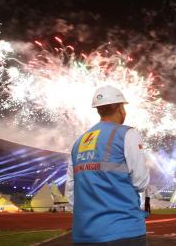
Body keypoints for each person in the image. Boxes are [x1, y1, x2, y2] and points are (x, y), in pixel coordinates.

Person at [71, 85, 150, 245]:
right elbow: (141, 182)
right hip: (123, 230)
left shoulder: (78, 142)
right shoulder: (127, 134)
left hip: (84, 234)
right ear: (117, 107)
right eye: (123, 106)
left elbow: (71, 192)